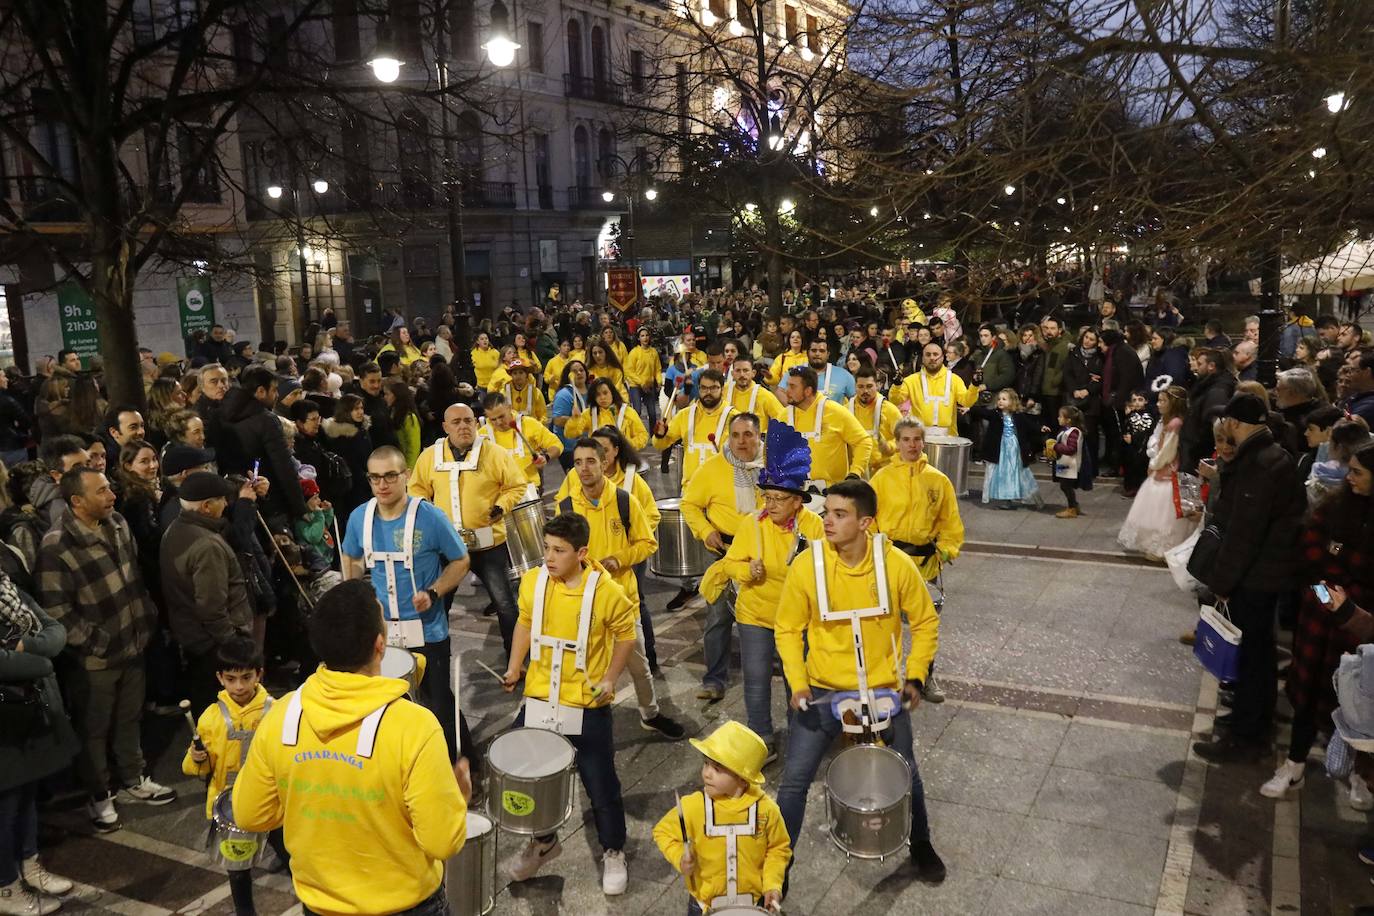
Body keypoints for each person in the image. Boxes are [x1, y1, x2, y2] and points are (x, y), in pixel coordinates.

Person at [233, 579, 470, 916]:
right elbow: (442, 841)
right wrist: (458, 798)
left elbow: (250, 813)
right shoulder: (415, 726)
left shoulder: (281, 716)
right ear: (380, 645)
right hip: (407, 905)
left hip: (321, 905)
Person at [774, 480, 946, 882]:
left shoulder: (895, 565)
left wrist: (916, 676)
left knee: (906, 771)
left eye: (839, 514)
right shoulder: (807, 565)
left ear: (865, 522)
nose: (827, 521)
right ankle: (776, 863)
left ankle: (920, 843)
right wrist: (798, 683)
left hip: (882, 691)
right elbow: (786, 628)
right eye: (826, 513)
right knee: (795, 781)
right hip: (821, 691)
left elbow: (924, 622)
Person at [499, 513, 636, 894]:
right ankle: (543, 841)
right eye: (546, 548)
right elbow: (525, 623)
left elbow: (626, 636)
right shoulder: (533, 582)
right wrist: (515, 668)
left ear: (582, 552)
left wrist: (610, 678)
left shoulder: (607, 592)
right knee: (521, 773)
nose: (549, 557)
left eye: (559, 550)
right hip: (541, 698)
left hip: (585, 704)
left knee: (600, 782)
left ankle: (613, 850)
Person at [37, 467, 175, 832]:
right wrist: (98, 641)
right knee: (94, 731)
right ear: (77, 501)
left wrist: (146, 617)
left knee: (130, 719)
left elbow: (136, 579)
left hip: (134, 644)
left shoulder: (117, 523)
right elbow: (57, 612)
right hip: (95, 659)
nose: (111, 494)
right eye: (101, 491)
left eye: (109, 487)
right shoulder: (56, 546)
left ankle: (133, 778)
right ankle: (100, 796)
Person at [1190, 394, 1305, 763]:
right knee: (1257, 654)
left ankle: (1247, 735)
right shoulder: (1270, 456)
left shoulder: (1260, 463)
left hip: (1257, 577)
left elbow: (1243, 533)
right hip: (1263, 573)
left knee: (1254, 656)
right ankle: (1249, 722)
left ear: (1236, 424)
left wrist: (1221, 581)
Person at [1260, 442, 1374, 803]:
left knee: (1360, 699)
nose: (1349, 477)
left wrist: (1349, 594)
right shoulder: (1336, 504)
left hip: (1361, 624)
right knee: (1307, 696)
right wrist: (1328, 594)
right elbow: (1310, 550)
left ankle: (1360, 772)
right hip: (1320, 613)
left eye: (1357, 471)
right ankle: (1294, 766)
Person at [344, 446, 473, 759]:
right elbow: (351, 556)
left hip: (427, 630)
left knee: (438, 702)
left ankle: (463, 761)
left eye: (390, 475)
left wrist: (434, 592)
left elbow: (460, 561)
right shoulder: (360, 517)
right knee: (388, 703)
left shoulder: (429, 517)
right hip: (381, 631)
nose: (383, 484)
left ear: (405, 476)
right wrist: (354, 587)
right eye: (375, 478)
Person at [700, 421, 821, 752]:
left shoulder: (816, 528)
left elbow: (829, 573)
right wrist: (745, 570)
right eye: (767, 497)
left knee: (798, 681)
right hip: (755, 614)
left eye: (779, 499)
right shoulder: (752, 523)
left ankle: (800, 738)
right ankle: (761, 739)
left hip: (798, 620)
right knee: (755, 682)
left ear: (798, 501)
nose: (771, 504)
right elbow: (728, 564)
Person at [559, 438, 684, 739]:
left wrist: (619, 559)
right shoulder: (565, 504)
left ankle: (650, 714)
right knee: (577, 663)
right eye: (578, 463)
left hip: (621, 600)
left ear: (604, 462)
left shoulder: (625, 500)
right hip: (580, 600)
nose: (584, 469)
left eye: (590, 461)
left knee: (638, 664)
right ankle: (577, 719)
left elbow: (647, 543)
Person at [181, 638, 289, 916]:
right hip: (230, 803)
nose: (239, 686)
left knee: (287, 849)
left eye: (246, 677)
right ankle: (245, 911)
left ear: (259, 674)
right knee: (237, 867)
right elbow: (203, 771)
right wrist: (196, 760)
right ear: (220, 678)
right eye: (230, 679)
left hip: (270, 798)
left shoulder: (276, 712)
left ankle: (299, 880)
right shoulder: (210, 717)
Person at [408, 404, 526, 655]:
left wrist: (501, 506)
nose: (463, 426)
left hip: (488, 546)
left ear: (476, 423)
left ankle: (518, 661)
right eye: (456, 422)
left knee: (505, 605)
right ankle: (434, 660)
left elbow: (517, 485)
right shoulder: (430, 456)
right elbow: (416, 490)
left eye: (468, 421)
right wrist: (429, 515)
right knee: (437, 604)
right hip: (446, 547)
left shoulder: (494, 453)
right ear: (445, 427)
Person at [0, 571, 78, 916]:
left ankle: (29, 866)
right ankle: (5, 886)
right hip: (5, 719)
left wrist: (27, 650)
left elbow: (55, 630)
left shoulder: (6, 585)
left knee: (27, 795)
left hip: (28, 710)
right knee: (5, 806)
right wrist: (42, 662)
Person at [653, 721, 790, 915]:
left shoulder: (767, 811)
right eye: (706, 764)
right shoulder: (693, 806)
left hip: (752, 903)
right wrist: (679, 858)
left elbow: (777, 849)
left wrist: (772, 885)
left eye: (717, 769)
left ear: (743, 778)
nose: (706, 773)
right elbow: (662, 831)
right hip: (703, 905)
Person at [682, 414, 765, 700]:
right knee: (718, 615)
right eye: (736, 435)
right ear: (728, 438)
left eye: (748, 435)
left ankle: (770, 671)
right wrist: (706, 531)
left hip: (765, 551)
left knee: (770, 612)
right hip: (722, 550)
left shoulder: (775, 467)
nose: (742, 441)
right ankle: (714, 680)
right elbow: (690, 504)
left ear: (759, 436)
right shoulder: (712, 469)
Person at [161, 472, 255, 716]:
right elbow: (212, 607)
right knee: (223, 714)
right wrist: (233, 646)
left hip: (193, 639)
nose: (225, 504)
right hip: (213, 646)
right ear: (205, 506)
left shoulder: (175, 530)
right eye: (221, 499)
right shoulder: (207, 545)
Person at [1117, 385, 1193, 559]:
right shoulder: (1164, 420)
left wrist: (1155, 463)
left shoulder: (1175, 423)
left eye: (1162, 401)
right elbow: (1156, 439)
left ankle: (1164, 549)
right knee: (1153, 515)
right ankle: (1154, 546)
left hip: (1166, 473)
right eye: (1158, 400)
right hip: (1159, 468)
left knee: (1164, 516)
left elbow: (1168, 450)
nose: (1158, 404)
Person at [781, 366, 872, 491]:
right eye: (787, 385)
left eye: (792, 387)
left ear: (808, 391)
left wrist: (855, 473)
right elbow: (771, 450)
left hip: (833, 494)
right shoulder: (783, 416)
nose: (787, 391)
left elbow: (863, 441)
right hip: (794, 493)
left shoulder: (835, 411)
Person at [652, 369, 735, 490]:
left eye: (714, 388)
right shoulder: (684, 415)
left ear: (722, 390)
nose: (708, 392)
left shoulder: (734, 418)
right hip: (690, 491)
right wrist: (660, 435)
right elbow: (660, 445)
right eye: (704, 388)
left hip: (721, 492)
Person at [477, 392, 562, 491]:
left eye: (501, 417)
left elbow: (556, 444)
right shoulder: (482, 434)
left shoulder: (529, 423)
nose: (498, 422)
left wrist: (546, 457)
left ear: (509, 407)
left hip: (529, 488)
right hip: (499, 491)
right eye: (493, 419)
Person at [897, 343, 982, 439]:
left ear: (942, 357)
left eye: (935, 354)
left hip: (948, 438)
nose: (932, 358)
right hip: (918, 438)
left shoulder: (954, 379)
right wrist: (896, 385)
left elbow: (967, 401)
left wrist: (974, 386)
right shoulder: (911, 380)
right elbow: (896, 400)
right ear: (923, 358)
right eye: (928, 355)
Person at [977, 389, 1043, 508]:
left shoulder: (1018, 416)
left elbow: (1029, 425)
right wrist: (970, 409)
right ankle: (1006, 499)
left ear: (1012, 402)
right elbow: (983, 412)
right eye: (999, 399)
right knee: (1004, 473)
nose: (1000, 401)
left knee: (1018, 472)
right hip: (1001, 450)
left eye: (1004, 399)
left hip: (1014, 449)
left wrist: (1040, 428)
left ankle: (1032, 497)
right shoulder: (995, 414)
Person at [1180, 349, 1236, 473]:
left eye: (1200, 364)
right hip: (1193, 452)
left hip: (1199, 457)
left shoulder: (1217, 391)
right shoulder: (1206, 386)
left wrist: (1195, 450)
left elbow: (1213, 428)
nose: (1196, 367)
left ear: (1211, 366)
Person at [564, 378, 649, 451]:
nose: (602, 397)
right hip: (598, 461)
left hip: (623, 460)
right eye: (598, 394)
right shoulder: (589, 413)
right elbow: (570, 434)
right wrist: (575, 419)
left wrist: (627, 445)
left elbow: (643, 436)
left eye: (605, 393)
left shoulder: (627, 411)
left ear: (612, 393)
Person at [848, 365, 902, 474]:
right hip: (854, 473)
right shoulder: (846, 410)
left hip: (884, 472)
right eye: (861, 386)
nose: (865, 391)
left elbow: (903, 439)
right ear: (855, 387)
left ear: (877, 385)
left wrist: (888, 447)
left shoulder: (890, 410)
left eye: (869, 386)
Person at [1045, 404, 1090, 518]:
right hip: (1063, 462)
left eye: (1060, 416)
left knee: (1066, 486)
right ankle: (1073, 505)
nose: (1058, 418)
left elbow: (1071, 449)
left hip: (1070, 464)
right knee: (1064, 485)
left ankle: (1072, 508)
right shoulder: (1066, 430)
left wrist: (1055, 446)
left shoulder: (1074, 432)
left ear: (1068, 420)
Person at [723, 354, 786, 430]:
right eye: (738, 371)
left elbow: (784, 420)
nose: (742, 374)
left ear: (753, 373)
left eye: (745, 370)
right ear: (732, 374)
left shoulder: (764, 395)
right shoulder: (723, 390)